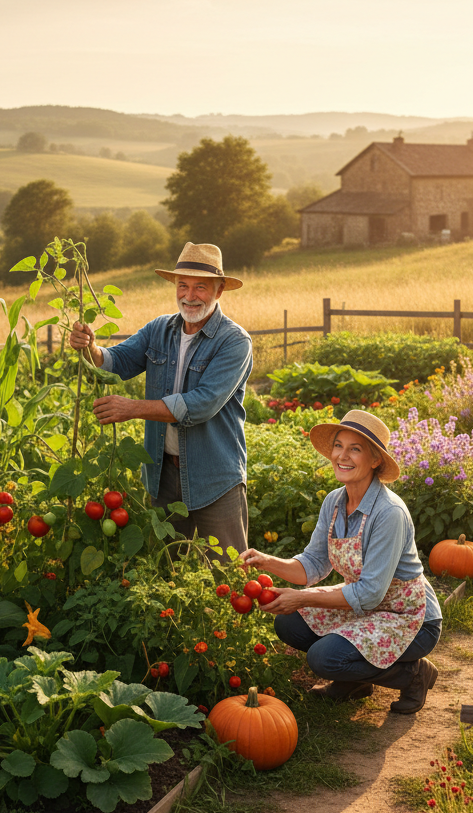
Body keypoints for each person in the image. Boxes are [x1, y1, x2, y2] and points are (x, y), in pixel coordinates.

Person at [241, 410, 442, 712]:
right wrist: (267, 561)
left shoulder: (389, 513)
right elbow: (313, 564)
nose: (342, 456)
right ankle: (356, 681)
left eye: (355, 449)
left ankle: (413, 675)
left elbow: (370, 593)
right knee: (290, 623)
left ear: (375, 460)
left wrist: (301, 598)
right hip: (366, 609)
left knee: (325, 658)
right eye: (338, 446)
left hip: (410, 618)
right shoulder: (334, 502)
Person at [69, 242, 253, 555]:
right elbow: (117, 361)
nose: (189, 295)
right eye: (183, 285)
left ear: (219, 291)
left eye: (200, 287)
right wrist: (89, 347)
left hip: (215, 478)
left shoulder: (234, 342)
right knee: (170, 568)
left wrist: (132, 409)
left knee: (227, 571)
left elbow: (201, 403)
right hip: (163, 475)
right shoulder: (160, 330)